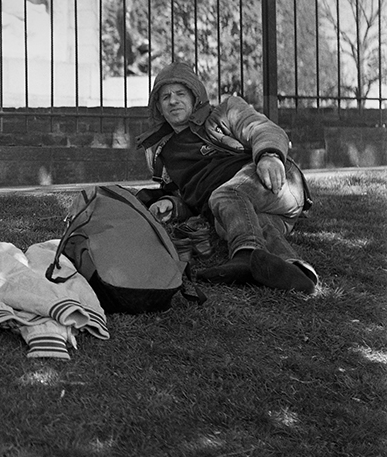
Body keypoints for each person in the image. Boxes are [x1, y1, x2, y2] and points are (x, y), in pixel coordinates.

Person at [135, 61, 318, 293]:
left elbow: (262, 128)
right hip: (240, 212)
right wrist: (171, 203)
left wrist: (269, 155)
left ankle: (245, 254)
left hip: (274, 182)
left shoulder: (226, 111)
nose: (173, 100)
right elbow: (188, 196)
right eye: (165, 97)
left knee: (224, 194)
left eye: (180, 93)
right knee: (246, 223)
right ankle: (297, 272)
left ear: (194, 97)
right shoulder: (163, 153)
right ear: (159, 108)